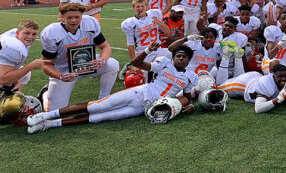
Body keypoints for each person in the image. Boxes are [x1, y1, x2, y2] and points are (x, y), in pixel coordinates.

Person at [26, 42, 197, 133]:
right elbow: (136, 63)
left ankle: (49, 124)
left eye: (184, 57)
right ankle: (44, 115)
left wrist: (188, 105)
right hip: (140, 93)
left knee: (100, 117)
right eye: (178, 56)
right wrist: (147, 51)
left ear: (189, 60)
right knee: (97, 106)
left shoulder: (191, 76)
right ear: (173, 58)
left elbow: (188, 97)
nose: (181, 59)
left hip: (145, 108)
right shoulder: (164, 63)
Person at [39, 3, 119, 111]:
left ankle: (104, 98)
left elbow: (105, 47)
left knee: (112, 64)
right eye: (69, 17)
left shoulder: (90, 23)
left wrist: (102, 60)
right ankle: (44, 93)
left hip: (87, 65)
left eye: (77, 17)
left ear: (82, 16)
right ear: (62, 17)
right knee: (54, 111)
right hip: (65, 70)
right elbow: (46, 65)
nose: (73, 20)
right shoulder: (52, 33)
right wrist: (61, 76)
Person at [120, 0, 170, 64]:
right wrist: (135, 63)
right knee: (145, 70)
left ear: (146, 7)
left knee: (170, 55)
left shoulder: (154, 14)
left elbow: (167, 32)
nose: (140, 8)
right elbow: (130, 46)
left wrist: (161, 23)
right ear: (133, 8)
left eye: (142, 6)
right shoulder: (130, 23)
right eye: (138, 6)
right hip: (143, 53)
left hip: (158, 49)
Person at [0, 20, 43, 92]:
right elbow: (2, 79)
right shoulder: (13, 47)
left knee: (25, 74)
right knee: (25, 71)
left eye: (34, 34)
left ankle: (12, 93)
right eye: (27, 33)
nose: (30, 37)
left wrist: (16, 80)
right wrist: (31, 66)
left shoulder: (16, 36)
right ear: (17, 33)